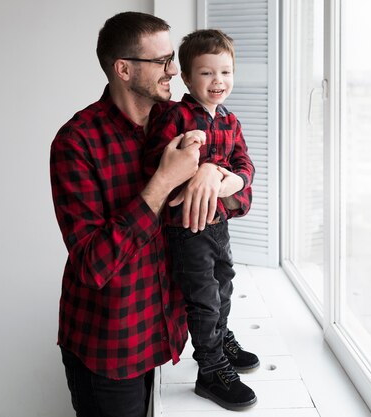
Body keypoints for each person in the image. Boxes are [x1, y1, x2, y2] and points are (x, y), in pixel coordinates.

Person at [49, 12, 228, 417]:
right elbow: (94, 264)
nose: (174, 71)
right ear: (124, 69)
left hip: (162, 330)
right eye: (163, 62)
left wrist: (213, 173)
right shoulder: (76, 142)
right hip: (109, 347)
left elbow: (241, 191)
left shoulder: (180, 122)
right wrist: (163, 182)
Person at [143, 29, 258, 411]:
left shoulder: (230, 120)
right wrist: (201, 167)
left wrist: (234, 178)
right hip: (187, 229)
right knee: (204, 298)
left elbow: (244, 164)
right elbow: (157, 162)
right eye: (207, 73)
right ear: (188, 78)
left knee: (225, 283)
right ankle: (210, 369)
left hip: (218, 225)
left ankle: (222, 338)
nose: (218, 81)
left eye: (225, 72)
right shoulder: (175, 115)